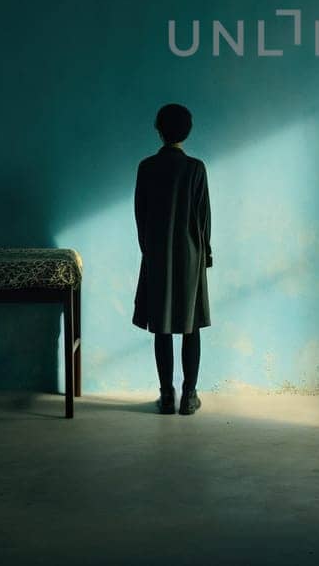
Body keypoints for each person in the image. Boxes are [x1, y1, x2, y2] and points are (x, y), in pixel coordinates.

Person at [132, 103, 213, 415]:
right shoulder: (196, 169)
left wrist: (148, 250)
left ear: (158, 128)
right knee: (191, 327)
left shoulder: (146, 167)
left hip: (157, 254)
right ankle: (189, 396)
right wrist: (204, 252)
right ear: (188, 132)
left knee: (161, 326)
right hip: (190, 256)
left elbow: (140, 215)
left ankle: (166, 394)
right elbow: (203, 217)